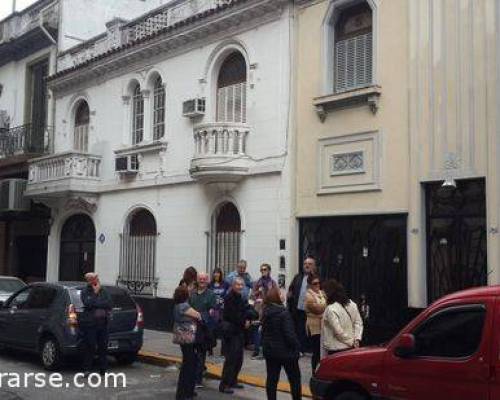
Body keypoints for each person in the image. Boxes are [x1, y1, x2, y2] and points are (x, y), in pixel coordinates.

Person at [262, 286, 302, 400]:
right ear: (277, 297)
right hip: (286, 353)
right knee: (294, 380)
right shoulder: (284, 313)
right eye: (280, 293)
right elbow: (289, 335)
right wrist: (297, 347)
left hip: (271, 352)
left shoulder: (266, 312)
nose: (283, 294)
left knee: (272, 379)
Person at [219, 277, 251, 394]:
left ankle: (233, 380)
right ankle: (224, 384)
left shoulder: (240, 297)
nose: (240, 287)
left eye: (241, 285)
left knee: (238, 358)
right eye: (237, 285)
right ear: (233, 285)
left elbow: (246, 310)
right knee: (231, 359)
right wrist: (245, 321)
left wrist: (249, 317)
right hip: (231, 332)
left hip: (239, 331)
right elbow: (234, 316)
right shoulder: (229, 298)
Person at [80, 272, 112, 376]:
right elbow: (87, 304)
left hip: (103, 323)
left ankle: (103, 369)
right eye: (94, 278)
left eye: (97, 277)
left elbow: (108, 303)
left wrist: (96, 303)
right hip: (90, 324)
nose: (97, 279)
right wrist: (95, 293)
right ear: (89, 280)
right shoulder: (85, 291)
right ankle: (87, 369)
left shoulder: (104, 291)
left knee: (103, 346)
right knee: (90, 346)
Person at [173, 285, 202, 400]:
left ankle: (186, 391)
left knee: (187, 364)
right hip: (188, 338)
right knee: (189, 365)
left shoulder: (176, 305)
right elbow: (198, 315)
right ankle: (185, 393)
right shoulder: (184, 306)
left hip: (182, 337)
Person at [321, 279, 363, 356]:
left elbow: (338, 331)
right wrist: (356, 339)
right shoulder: (352, 304)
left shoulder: (331, 309)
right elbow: (358, 323)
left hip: (336, 349)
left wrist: (351, 341)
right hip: (351, 348)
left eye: (324, 292)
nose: (322, 294)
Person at [189, 272, 216, 388]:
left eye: (204, 279)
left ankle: (197, 380)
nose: (202, 281)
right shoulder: (192, 294)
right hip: (191, 328)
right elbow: (187, 308)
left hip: (203, 330)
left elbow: (212, 312)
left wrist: (199, 315)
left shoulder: (211, 295)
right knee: (191, 354)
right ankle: (191, 377)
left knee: (201, 355)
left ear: (207, 281)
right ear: (197, 280)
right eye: (200, 279)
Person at [287, 257, 317, 353]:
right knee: (299, 329)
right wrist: (290, 295)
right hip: (298, 309)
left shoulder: (316, 278)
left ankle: (310, 348)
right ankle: (300, 349)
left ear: (314, 266)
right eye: (305, 264)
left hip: (311, 310)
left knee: (310, 330)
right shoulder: (298, 277)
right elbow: (291, 289)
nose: (307, 265)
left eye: (309, 264)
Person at [250, 263, 277, 360]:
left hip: (269, 308)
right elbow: (252, 295)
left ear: (269, 271)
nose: (263, 271)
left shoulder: (272, 283)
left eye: (265, 269)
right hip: (258, 309)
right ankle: (257, 350)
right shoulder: (257, 282)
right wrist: (257, 293)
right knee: (257, 329)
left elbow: (276, 296)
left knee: (267, 329)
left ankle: (267, 350)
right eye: (261, 270)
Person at [304, 273, 326, 371]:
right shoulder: (308, 296)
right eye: (315, 283)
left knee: (323, 350)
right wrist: (325, 309)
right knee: (316, 351)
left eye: (318, 283)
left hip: (323, 326)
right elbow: (318, 309)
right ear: (309, 285)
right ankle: (314, 371)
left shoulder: (322, 293)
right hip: (314, 327)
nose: (317, 285)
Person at [209, 267, 229, 357]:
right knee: (212, 331)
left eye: (218, 273)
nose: (216, 274)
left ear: (221, 274)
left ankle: (223, 352)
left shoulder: (225, 284)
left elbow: (229, 294)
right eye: (215, 273)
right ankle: (210, 350)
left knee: (224, 332)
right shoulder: (210, 285)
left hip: (223, 311)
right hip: (213, 311)